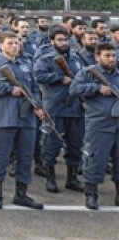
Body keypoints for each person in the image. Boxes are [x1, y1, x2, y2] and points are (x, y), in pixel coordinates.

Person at [0, 31, 48, 210]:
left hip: (27, 119)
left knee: (25, 157)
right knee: (0, 157)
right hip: (5, 117)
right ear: (1, 45)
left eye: (17, 43)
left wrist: (38, 106)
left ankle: (21, 194)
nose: (14, 46)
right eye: (10, 43)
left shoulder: (26, 64)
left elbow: (34, 88)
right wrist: (8, 88)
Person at [33, 27, 86, 194]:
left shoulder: (77, 59)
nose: (64, 43)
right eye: (60, 40)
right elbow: (38, 76)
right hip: (55, 108)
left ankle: (72, 178)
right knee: (51, 145)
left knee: (75, 145)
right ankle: (50, 177)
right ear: (52, 41)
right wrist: (60, 78)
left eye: (66, 40)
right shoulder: (46, 59)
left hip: (76, 109)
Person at [68, 42, 119, 209]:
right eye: (107, 56)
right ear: (97, 57)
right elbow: (74, 90)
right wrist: (97, 88)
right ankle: (91, 194)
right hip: (99, 125)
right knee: (94, 160)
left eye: (113, 55)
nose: (112, 59)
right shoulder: (88, 73)